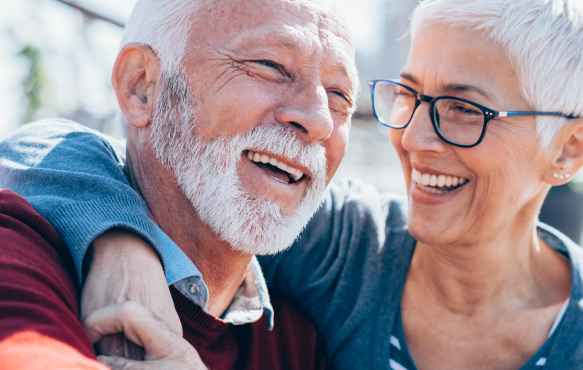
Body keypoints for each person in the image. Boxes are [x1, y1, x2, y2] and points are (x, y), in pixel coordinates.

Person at [3, 0, 583, 369]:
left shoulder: (304, 327)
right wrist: (120, 240)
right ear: (139, 85)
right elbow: (63, 151)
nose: (415, 139)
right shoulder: (344, 247)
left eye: (462, 108)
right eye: (410, 97)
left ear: (568, 150)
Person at [0, 0, 358, 368]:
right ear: (140, 86)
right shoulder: (20, 246)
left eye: (339, 96)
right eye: (270, 66)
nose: (318, 121)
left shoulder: (299, 344)